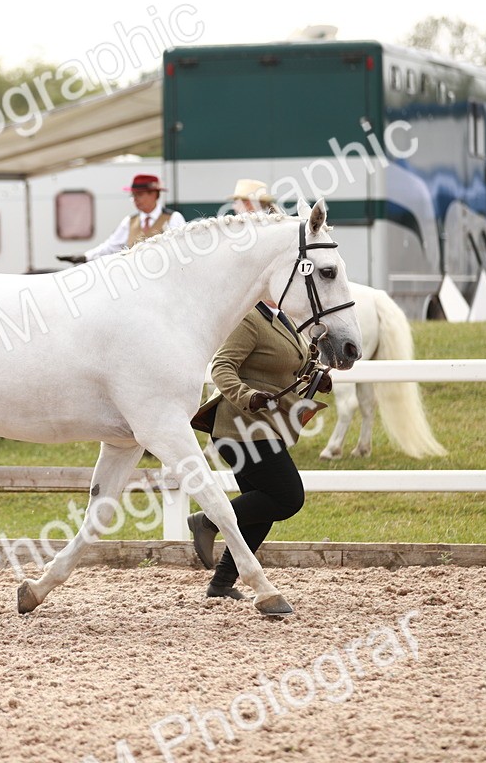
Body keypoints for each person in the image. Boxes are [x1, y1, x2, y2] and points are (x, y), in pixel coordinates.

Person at [187, 299, 332, 600]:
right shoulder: (249, 319)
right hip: (239, 428)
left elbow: (291, 362)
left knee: (262, 508)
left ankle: (222, 583)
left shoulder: (283, 319)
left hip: (265, 428)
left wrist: (316, 374)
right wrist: (248, 396)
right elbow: (221, 367)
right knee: (287, 497)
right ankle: (209, 520)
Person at [56, 173, 185, 264]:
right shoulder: (129, 221)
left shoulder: (173, 218)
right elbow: (111, 246)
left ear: (154, 194)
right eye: (133, 195)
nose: (135, 199)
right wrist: (85, 256)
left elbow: (182, 250)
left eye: (139, 195)